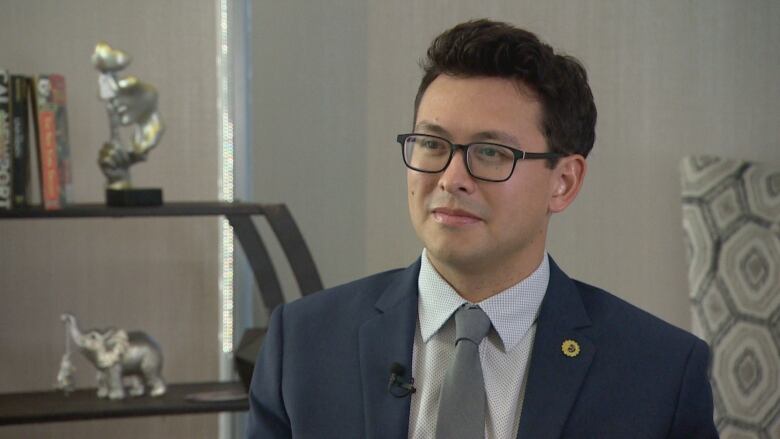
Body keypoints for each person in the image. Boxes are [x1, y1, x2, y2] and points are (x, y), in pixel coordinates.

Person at [247, 19, 718, 439]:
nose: (452, 178)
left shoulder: (659, 373)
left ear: (564, 182)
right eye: (432, 143)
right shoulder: (304, 345)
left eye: (491, 152)